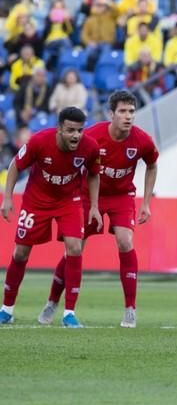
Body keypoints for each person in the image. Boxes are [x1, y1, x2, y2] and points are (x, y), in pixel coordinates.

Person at [41, 91, 159, 329]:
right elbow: (71, 159)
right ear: (111, 114)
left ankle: (130, 310)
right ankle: (53, 301)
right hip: (87, 195)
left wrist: (145, 202)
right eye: (123, 111)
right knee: (74, 249)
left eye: (132, 112)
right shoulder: (93, 135)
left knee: (126, 242)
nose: (128, 117)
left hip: (121, 196)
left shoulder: (142, 140)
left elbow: (152, 165)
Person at [0, 107, 103, 328]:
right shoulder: (39, 141)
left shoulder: (90, 147)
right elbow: (15, 166)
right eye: (70, 130)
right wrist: (7, 198)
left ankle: (69, 313)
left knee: (75, 248)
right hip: (36, 200)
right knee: (20, 252)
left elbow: (94, 174)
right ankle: (6, 309)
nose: (76, 135)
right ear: (59, 129)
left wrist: (94, 206)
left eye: (80, 130)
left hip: (69, 201)